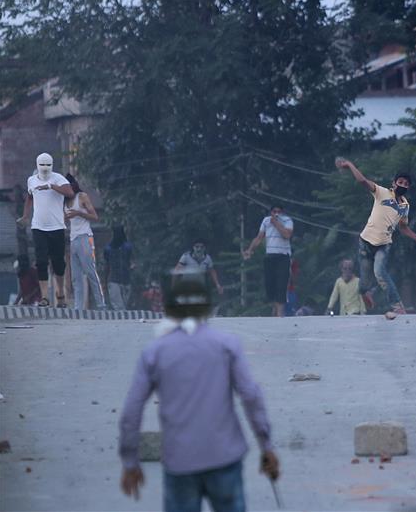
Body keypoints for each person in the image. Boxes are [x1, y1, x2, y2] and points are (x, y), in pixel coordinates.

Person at [118, 270, 279, 511]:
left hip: (179, 463)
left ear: (168, 309)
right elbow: (250, 395)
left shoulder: (154, 353)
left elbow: (132, 411)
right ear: (208, 308)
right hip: (224, 458)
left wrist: (130, 463)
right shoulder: (226, 345)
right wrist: (266, 446)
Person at [335, 158, 416, 319]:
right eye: (400, 182)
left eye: (406, 184)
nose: (403, 185)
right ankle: (366, 293)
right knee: (364, 283)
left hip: (383, 245)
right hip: (365, 243)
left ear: (409, 187)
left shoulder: (404, 206)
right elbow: (362, 181)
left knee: (380, 272)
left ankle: (398, 306)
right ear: (394, 183)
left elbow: (403, 228)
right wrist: (350, 165)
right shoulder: (381, 192)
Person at [17, 153, 73, 307]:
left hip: (57, 227)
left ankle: (60, 294)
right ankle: (45, 297)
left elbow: (70, 193)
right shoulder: (32, 180)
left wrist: (51, 186)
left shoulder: (58, 178)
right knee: (41, 262)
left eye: (48, 164)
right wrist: (25, 216)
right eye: (42, 165)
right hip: (38, 227)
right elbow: (29, 198)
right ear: (37, 165)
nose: (45, 168)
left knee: (58, 263)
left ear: (52, 165)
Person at [64, 173, 106, 310]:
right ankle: (78, 307)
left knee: (90, 271)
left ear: (73, 186)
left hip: (85, 237)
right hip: (73, 239)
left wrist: (79, 213)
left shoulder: (81, 197)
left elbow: (95, 216)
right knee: (76, 277)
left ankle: (101, 304)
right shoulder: (64, 202)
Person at [243, 205, 293, 317]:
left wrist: (276, 223)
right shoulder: (266, 221)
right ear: (271, 212)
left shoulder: (287, 221)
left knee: (281, 284)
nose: (276, 214)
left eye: (279, 212)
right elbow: (259, 237)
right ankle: (275, 310)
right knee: (270, 284)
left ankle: (280, 313)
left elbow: (287, 235)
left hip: (283, 256)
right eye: (274, 211)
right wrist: (250, 250)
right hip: (270, 255)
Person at [105, 226, 134, 310]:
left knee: (123, 306)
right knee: (119, 307)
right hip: (114, 281)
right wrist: (105, 281)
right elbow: (107, 265)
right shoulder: (108, 248)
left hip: (126, 281)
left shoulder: (128, 247)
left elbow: (132, 261)